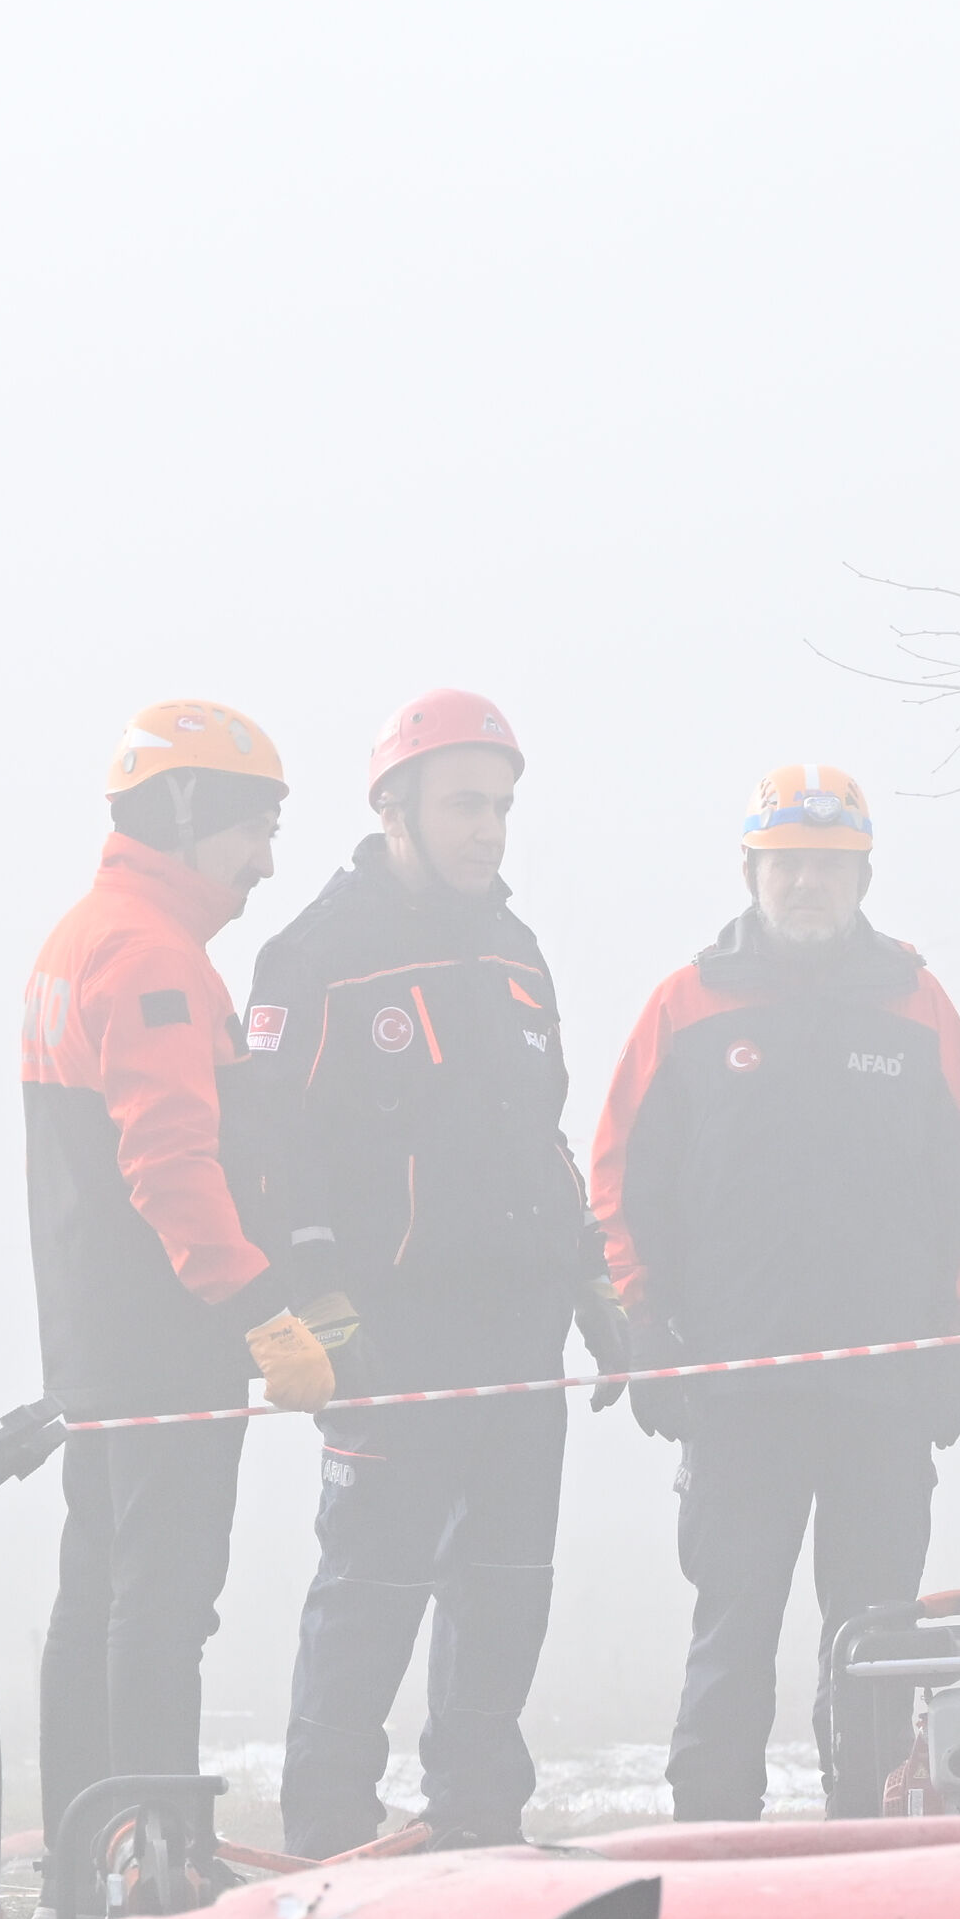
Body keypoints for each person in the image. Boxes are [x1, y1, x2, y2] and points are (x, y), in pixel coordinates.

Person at [591, 763, 960, 1821]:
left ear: (863, 876)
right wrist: (643, 1323)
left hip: (883, 1395)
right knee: (732, 1628)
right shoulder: (685, 1005)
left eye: (828, 869)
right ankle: (708, 1838)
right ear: (750, 873)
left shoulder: (917, 1005)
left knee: (874, 1635)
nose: (807, 888)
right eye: (788, 868)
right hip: (735, 1395)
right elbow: (617, 1176)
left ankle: (867, 1827)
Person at [230, 688, 590, 1857]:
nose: (487, 829)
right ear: (395, 808)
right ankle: (328, 1834)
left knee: (507, 1586)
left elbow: (543, 1136)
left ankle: (479, 1825)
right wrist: (316, 1295)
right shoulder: (319, 955)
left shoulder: (515, 951)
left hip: (520, 1334)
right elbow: (270, 1145)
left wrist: (593, 1282)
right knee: (373, 1588)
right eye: (463, 805)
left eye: (501, 807)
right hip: (391, 1330)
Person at [20, 701, 341, 1906]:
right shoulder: (152, 956)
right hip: (161, 1343)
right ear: (191, 815)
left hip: (96, 1341)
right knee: (160, 1607)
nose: (266, 860)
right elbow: (168, 1165)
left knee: (95, 1593)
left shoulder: (86, 935)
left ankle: (81, 1853)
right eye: (255, 829)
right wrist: (259, 1308)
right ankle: (149, 1861)